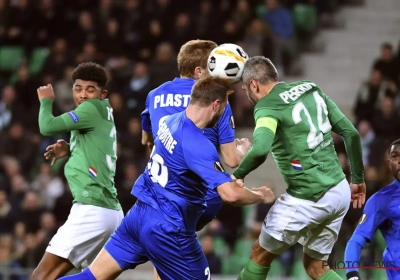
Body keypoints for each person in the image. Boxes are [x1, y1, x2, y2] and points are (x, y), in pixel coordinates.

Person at [59, 76, 275, 280]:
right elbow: (230, 195)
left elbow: (167, 150)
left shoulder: (169, 121)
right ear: (216, 105)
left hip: (139, 215)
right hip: (170, 229)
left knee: (92, 276)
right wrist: (260, 195)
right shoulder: (198, 144)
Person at [230, 56, 366, 280]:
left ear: (254, 85)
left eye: (246, 89)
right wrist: (358, 179)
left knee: (259, 253)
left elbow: (262, 149)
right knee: (315, 266)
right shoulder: (310, 88)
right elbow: (350, 133)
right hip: (340, 190)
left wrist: (238, 174)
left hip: (309, 198)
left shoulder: (266, 105)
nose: (248, 95)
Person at [141, 39, 251, 233]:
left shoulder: (153, 94)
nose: (218, 73)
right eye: (213, 66)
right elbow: (232, 160)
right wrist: (242, 150)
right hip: (197, 195)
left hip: (158, 190)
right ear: (199, 72)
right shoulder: (217, 101)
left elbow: (146, 140)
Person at [32, 62, 124, 280]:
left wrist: (46, 101)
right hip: (111, 212)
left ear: (103, 93)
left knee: (41, 277)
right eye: (78, 88)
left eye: (90, 90)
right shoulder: (104, 112)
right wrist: (71, 148)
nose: (83, 95)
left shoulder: (91, 109)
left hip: (91, 209)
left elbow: (46, 126)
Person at [344, 139, 400, 280]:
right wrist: (352, 275)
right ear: (389, 164)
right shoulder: (381, 200)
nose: (399, 161)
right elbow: (356, 241)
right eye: (395, 156)